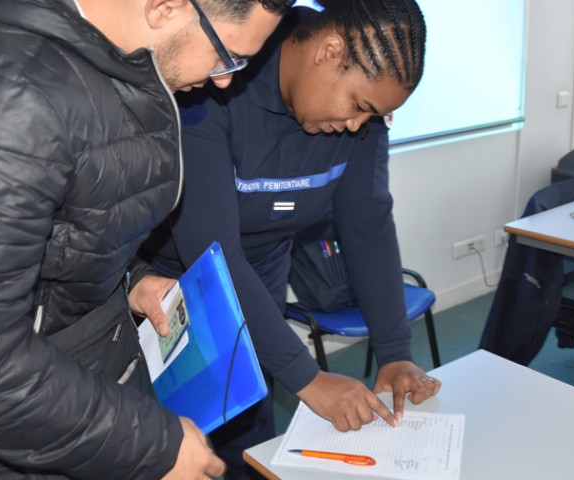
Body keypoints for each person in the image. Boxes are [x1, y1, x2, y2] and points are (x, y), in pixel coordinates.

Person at [0, 0, 295, 478]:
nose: (224, 80)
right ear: (166, 7)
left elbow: (56, 225)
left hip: (62, 385)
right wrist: (152, 444)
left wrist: (131, 276)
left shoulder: (107, 64)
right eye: (227, 55)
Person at [140, 1, 440, 478]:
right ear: (330, 50)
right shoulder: (218, 80)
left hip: (259, 283)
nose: (356, 125)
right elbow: (213, 256)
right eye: (360, 106)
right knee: (162, 447)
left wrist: (395, 350)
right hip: (170, 289)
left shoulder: (361, 122)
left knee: (249, 448)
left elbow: (368, 226)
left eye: (374, 116)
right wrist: (308, 378)